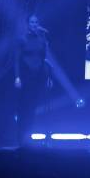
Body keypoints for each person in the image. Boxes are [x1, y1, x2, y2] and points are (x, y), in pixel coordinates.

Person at [14, 15, 53, 144]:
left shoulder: (42, 39)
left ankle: (33, 136)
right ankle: (21, 136)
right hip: (26, 75)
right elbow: (16, 59)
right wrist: (17, 77)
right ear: (28, 24)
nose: (34, 24)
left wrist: (49, 77)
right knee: (25, 107)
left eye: (36, 22)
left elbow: (44, 59)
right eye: (32, 22)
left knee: (36, 106)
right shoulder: (22, 39)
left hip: (39, 75)